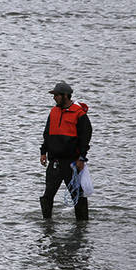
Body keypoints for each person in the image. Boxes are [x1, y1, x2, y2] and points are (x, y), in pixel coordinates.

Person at [39, 82, 92, 221]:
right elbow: (47, 134)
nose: (54, 98)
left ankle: (82, 225)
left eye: (56, 95)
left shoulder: (79, 114)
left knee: (78, 195)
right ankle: (47, 223)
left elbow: (85, 138)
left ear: (65, 96)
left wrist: (81, 158)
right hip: (54, 161)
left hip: (72, 163)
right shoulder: (53, 112)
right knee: (47, 196)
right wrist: (43, 152)